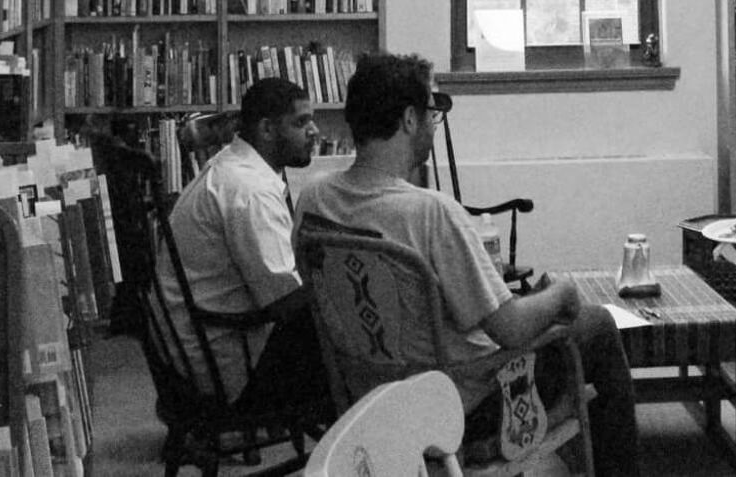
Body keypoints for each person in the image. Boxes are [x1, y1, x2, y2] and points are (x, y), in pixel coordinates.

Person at [298, 54, 643, 477]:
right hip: (456, 405)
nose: (431, 122)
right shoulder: (430, 213)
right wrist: (562, 294)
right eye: (431, 111)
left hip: (368, 396)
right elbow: (511, 329)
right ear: (409, 119)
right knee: (597, 325)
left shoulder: (314, 199)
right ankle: (519, 440)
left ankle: (539, 425)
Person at [160, 76, 332, 415]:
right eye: (301, 122)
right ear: (267, 129)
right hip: (228, 363)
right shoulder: (250, 190)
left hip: (191, 348)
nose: (314, 131)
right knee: (364, 346)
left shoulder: (233, 165)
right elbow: (285, 301)